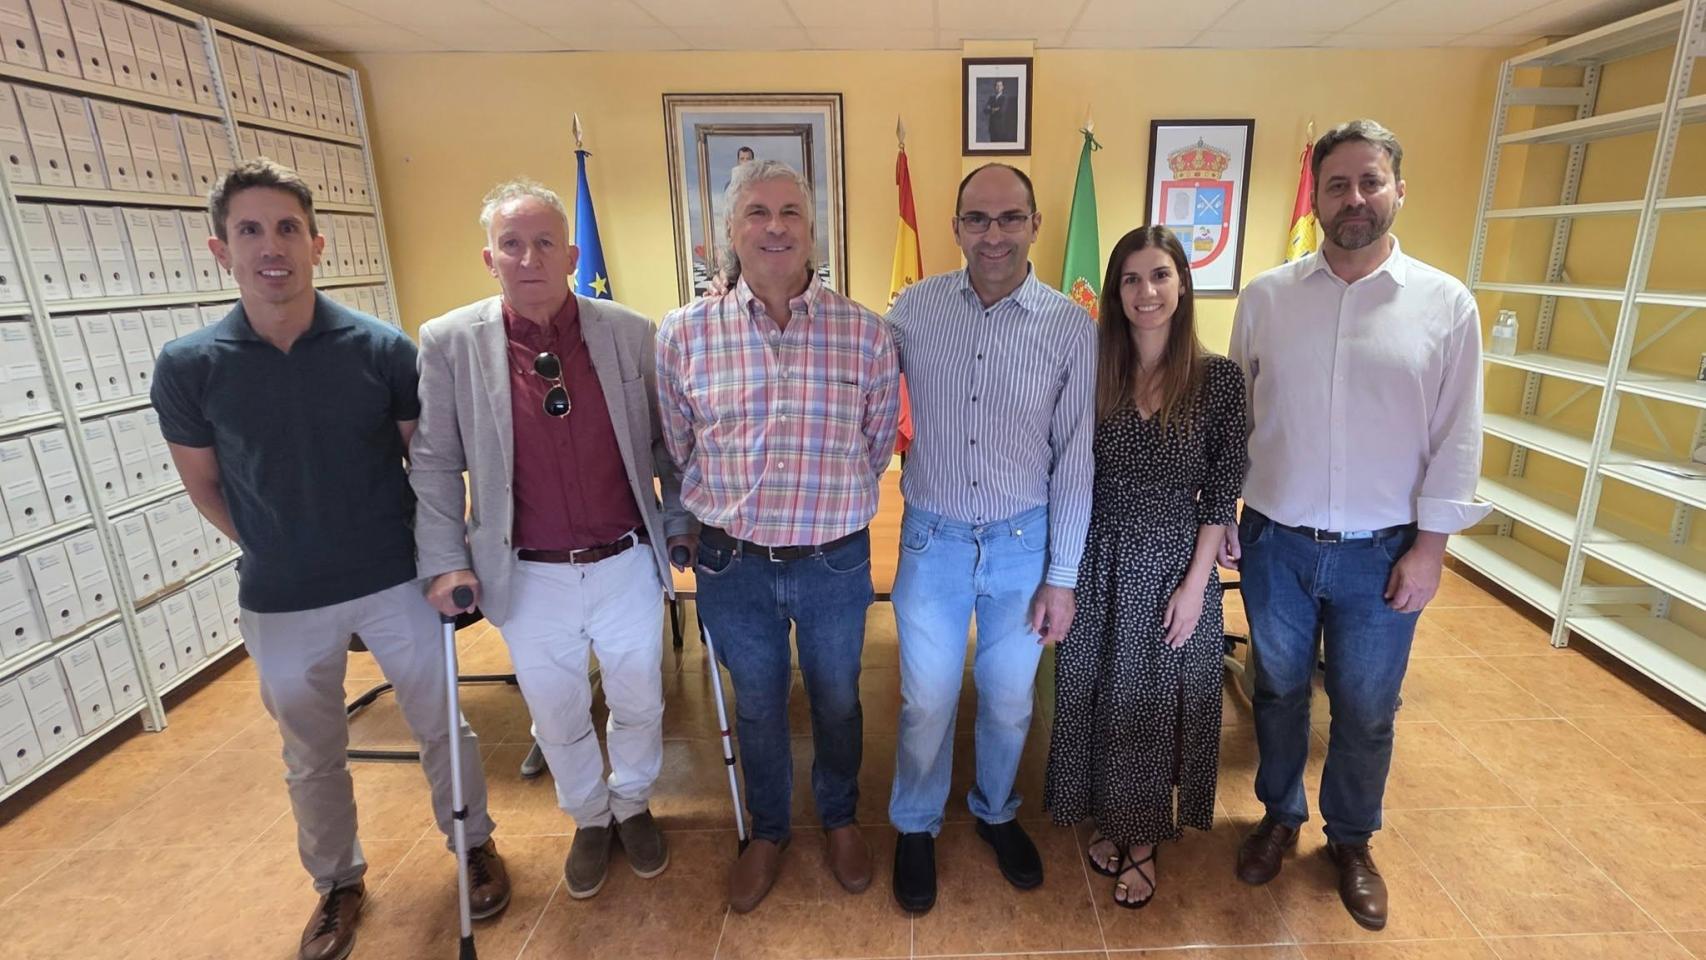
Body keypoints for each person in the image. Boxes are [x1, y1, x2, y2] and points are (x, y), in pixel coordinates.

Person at [150, 159, 510, 960]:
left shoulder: (379, 349)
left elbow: (430, 465)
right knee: (310, 754)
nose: (270, 246)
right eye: (250, 230)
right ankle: (337, 883)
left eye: (286, 229)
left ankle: (473, 843)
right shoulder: (189, 365)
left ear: (316, 243)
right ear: (221, 249)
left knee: (442, 727)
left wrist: (440, 558)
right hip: (280, 594)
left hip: (396, 581)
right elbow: (205, 485)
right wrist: (278, 543)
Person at [1223, 119, 1490, 931]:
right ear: (1315, 194)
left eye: (1370, 182)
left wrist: (1432, 549)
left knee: (1367, 705)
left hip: (1385, 553)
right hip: (1276, 541)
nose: (1355, 199)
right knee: (1275, 691)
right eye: (1337, 184)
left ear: (1398, 191)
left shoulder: (1446, 306)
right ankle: (1279, 814)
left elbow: (1460, 435)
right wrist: (1224, 513)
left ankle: (1351, 839)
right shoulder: (1267, 298)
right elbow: (1233, 418)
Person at [409, 179, 692, 900]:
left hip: (625, 558)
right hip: (527, 573)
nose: (528, 257)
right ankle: (589, 817)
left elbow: (668, 447)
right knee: (558, 713)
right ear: (489, 257)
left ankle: (631, 803)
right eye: (512, 244)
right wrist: (443, 561)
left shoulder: (629, 333)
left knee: (639, 700)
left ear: (570, 253)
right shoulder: (450, 343)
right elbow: (436, 462)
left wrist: (681, 524)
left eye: (543, 243)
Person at [657, 159, 901, 913]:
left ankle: (838, 817)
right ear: (730, 232)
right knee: (757, 703)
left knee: (837, 701)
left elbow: (877, 441)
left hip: (833, 558)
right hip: (734, 563)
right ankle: (767, 830)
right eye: (757, 212)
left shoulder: (864, 332)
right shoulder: (683, 335)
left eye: (791, 211)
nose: (775, 226)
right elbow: (677, 448)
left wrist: (824, 507)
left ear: (811, 228)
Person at [886, 163, 1094, 914]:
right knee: (928, 701)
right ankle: (915, 824)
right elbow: (859, 382)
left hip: (1023, 547)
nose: (994, 234)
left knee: (1009, 704)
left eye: (1010, 218)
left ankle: (995, 809)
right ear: (955, 227)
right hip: (931, 544)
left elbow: (1076, 459)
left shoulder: (1072, 328)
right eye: (977, 218)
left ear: (1035, 224)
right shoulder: (911, 310)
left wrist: (1062, 575)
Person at [1043, 226, 1246, 909]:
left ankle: (1145, 839)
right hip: (1095, 551)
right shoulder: (1095, 369)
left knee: (1157, 706)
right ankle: (1112, 815)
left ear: (1182, 284)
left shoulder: (1217, 378)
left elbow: (1223, 486)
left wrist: (1197, 585)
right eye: (1130, 279)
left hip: (1171, 562)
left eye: (1159, 275)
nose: (1146, 291)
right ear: (1114, 291)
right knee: (1095, 695)